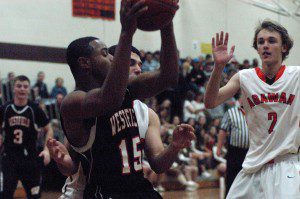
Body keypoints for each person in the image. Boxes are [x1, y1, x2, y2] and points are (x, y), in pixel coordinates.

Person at [59, 1, 195, 198]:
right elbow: (109, 99)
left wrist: (166, 20)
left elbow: (169, 76)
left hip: (140, 189)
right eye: (105, 54)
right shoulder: (73, 103)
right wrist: (126, 33)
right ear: (84, 63)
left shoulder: (129, 91)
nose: (112, 58)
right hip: (106, 193)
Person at [205, 20, 299, 198]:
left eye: (272, 41)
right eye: (261, 41)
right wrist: (218, 67)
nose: (265, 45)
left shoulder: (296, 75)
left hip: (286, 164)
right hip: (253, 164)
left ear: (284, 47)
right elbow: (210, 102)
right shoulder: (244, 77)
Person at [0, 75, 53, 199]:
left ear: (29, 90)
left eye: (25, 86)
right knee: (6, 194)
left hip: (30, 158)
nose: (22, 89)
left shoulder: (35, 109)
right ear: (14, 88)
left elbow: (49, 128)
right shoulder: (5, 108)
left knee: (34, 195)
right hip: (9, 157)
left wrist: (46, 150)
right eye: (19, 86)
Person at [216, 94, 249, 196]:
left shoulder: (253, 112)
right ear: (240, 98)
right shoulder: (230, 112)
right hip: (235, 152)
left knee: (248, 181)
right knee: (231, 179)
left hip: (250, 152)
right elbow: (223, 130)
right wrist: (219, 148)